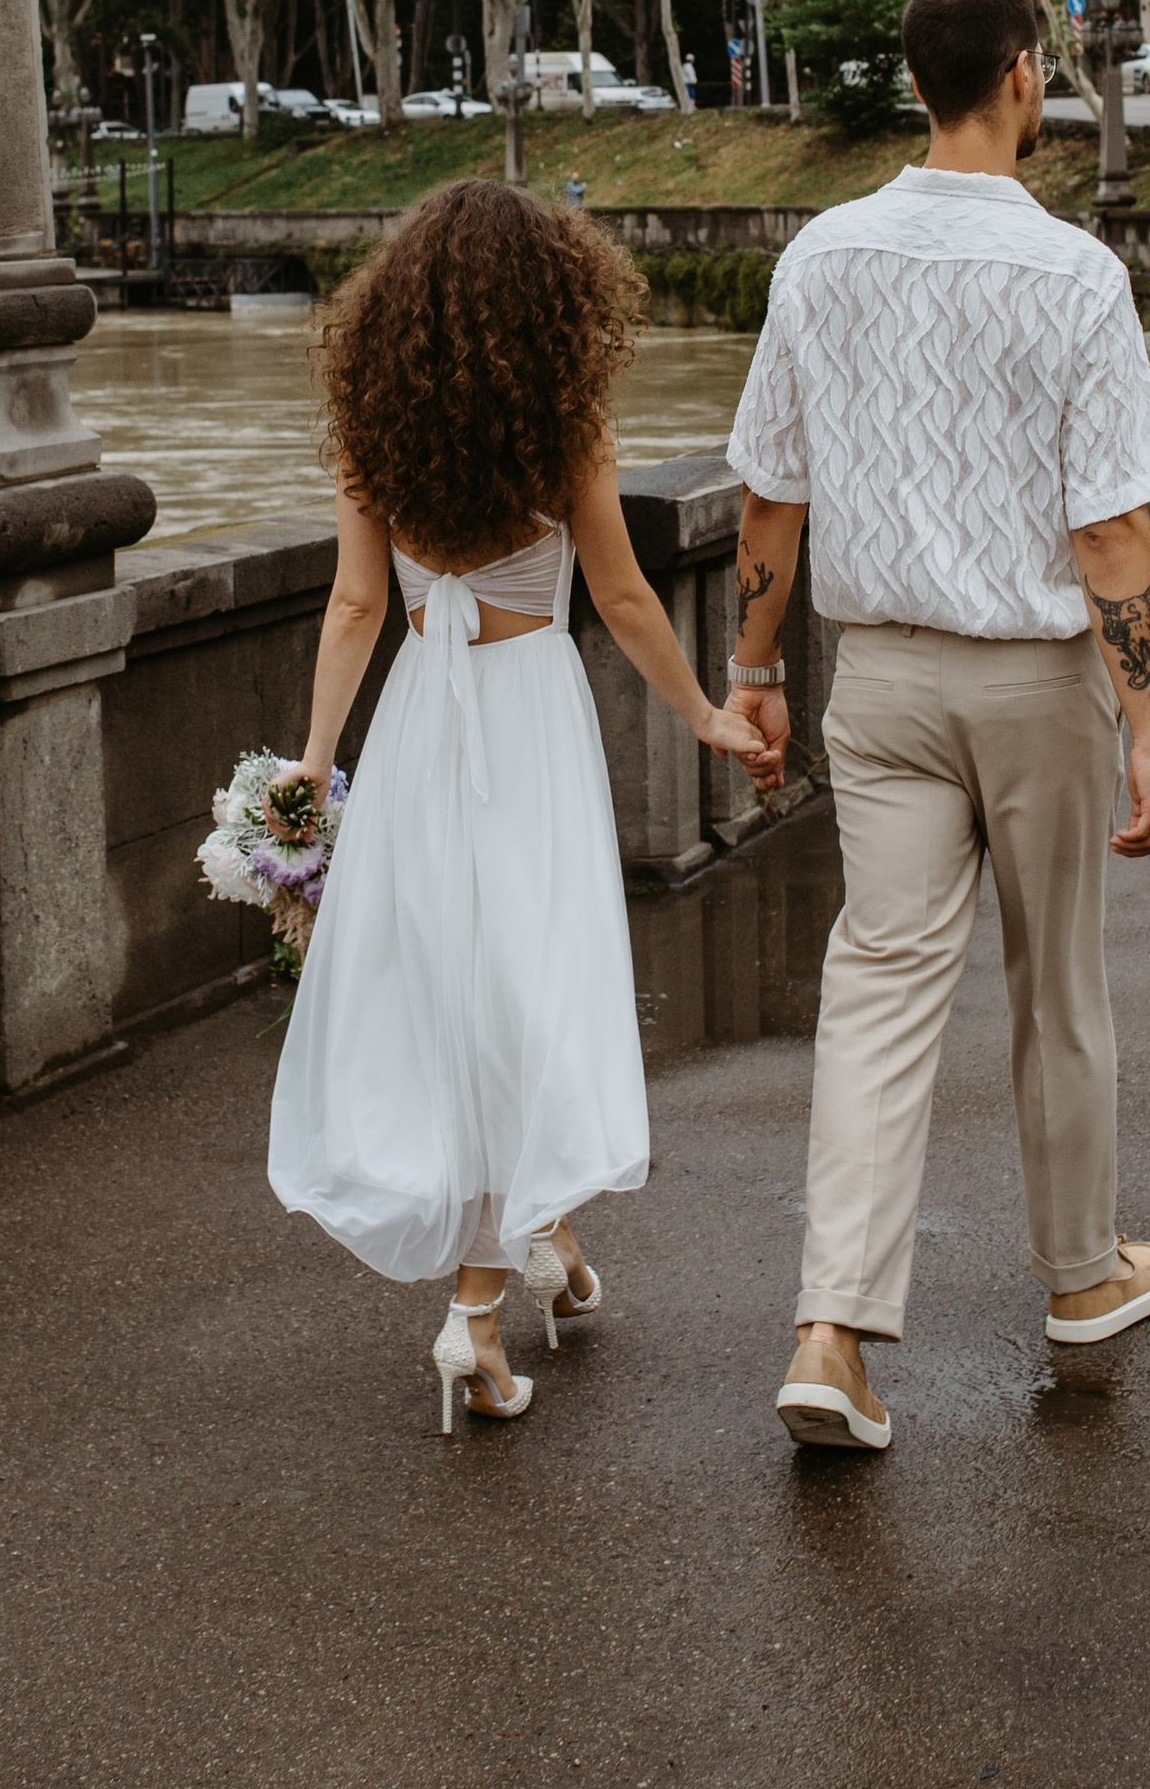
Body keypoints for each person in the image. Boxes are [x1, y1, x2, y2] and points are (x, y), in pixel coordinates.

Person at [722, 0, 1150, 1454]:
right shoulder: (1074, 274)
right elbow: (1110, 534)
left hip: (882, 681)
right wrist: (1149, 720)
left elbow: (770, 493)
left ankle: (832, 1328)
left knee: (876, 989)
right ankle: (1081, 1277)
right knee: (1057, 984)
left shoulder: (822, 258)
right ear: (1024, 77)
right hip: (1032, 681)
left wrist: (753, 668)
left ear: (918, 83)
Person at [268, 178, 784, 1435]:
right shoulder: (564, 423)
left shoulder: (367, 423)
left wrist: (313, 756)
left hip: (413, 729)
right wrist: (705, 714)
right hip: (526, 716)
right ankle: (476, 1313)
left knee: (454, 984)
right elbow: (619, 599)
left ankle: (542, 1235)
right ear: (555, 301)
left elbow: (353, 607)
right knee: (529, 981)